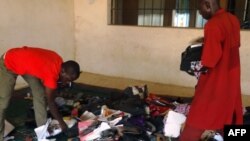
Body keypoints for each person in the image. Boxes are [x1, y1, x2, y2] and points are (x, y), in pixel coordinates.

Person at [179, 0, 243, 140]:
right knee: (230, 115)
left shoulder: (212, 25)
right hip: (232, 77)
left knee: (198, 119)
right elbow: (229, 44)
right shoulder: (233, 19)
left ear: (207, 5)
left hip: (216, 80)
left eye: (200, 8)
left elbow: (209, 61)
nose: (199, 12)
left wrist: (193, 65)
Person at [0, 46, 81, 139]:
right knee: (3, 103)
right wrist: (62, 123)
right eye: (68, 80)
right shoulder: (51, 74)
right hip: (9, 62)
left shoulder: (59, 60)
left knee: (40, 94)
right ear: (62, 71)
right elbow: (51, 103)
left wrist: (59, 83)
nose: (67, 83)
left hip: (24, 63)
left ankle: (42, 132)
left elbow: (43, 70)